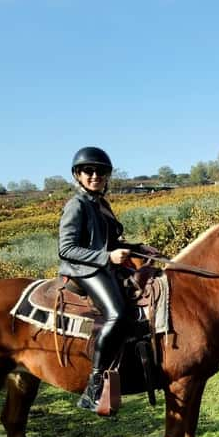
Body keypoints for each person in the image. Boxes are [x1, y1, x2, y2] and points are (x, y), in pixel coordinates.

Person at [57, 146, 159, 413]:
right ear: (77, 175)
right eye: (88, 171)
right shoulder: (76, 205)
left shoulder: (100, 204)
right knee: (117, 314)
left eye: (100, 171)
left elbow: (110, 241)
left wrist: (137, 247)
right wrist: (107, 257)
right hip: (83, 269)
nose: (95, 176)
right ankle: (95, 384)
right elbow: (66, 249)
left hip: (103, 265)